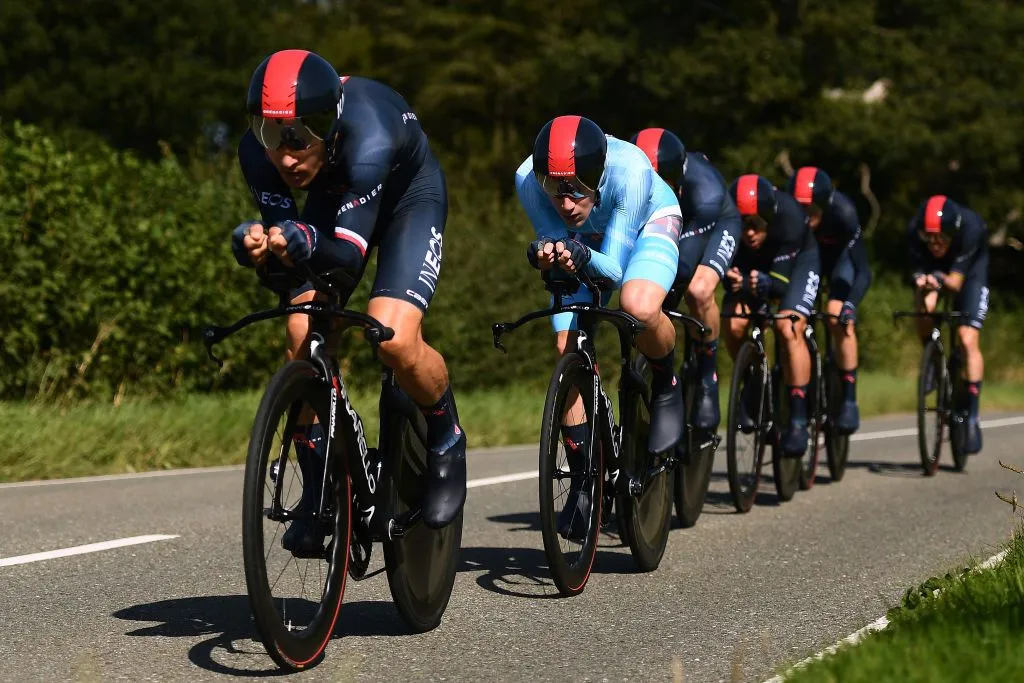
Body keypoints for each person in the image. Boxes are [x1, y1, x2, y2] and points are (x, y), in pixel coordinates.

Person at [231, 49, 466, 553]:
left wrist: (304, 243)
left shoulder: (369, 139)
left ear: (329, 124)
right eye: (270, 134)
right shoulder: (261, 155)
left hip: (406, 201)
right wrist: (257, 248)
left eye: (298, 136)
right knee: (301, 332)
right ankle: (321, 484)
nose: (285, 154)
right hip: (333, 198)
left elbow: (341, 258)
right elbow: (286, 274)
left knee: (394, 338)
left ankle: (445, 434)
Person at [516, 115, 683, 538]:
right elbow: (556, 241)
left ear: (596, 174)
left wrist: (575, 252)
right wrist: (547, 252)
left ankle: (665, 379)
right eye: (554, 188)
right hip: (587, 240)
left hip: (645, 225)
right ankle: (584, 480)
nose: (565, 201)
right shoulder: (527, 180)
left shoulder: (632, 172)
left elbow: (611, 272)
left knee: (637, 307)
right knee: (565, 344)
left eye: (574, 188)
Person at [630, 128, 740, 433]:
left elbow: (683, 266)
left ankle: (707, 375)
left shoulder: (705, 193)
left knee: (697, 290)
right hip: (670, 223)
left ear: (676, 179)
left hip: (714, 223)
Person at [725, 174, 820, 456]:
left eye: (756, 224)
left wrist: (762, 285)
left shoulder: (789, 217)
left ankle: (799, 417)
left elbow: (779, 285)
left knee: (788, 328)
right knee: (732, 322)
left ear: (769, 217)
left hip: (799, 262)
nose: (749, 232)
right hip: (755, 264)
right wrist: (731, 278)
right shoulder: (730, 221)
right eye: (743, 224)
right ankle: (753, 381)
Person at [786, 167, 872, 434]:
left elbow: (863, 270)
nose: (805, 216)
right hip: (803, 261)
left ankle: (848, 398)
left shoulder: (844, 214)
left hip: (838, 262)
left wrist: (851, 305)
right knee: (787, 319)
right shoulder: (786, 215)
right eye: (799, 209)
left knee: (836, 316)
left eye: (811, 211)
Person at [907, 195, 989, 453]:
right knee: (925, 307)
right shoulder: (914, 231)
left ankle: (972, 416)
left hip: (970, 274)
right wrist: (922, 281)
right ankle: (932, 358)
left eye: (941, 237)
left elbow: (954, 283)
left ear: (953, 232)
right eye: (929, 237)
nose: (934, 243)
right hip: (937, 269)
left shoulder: (971, 229)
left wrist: (937, 278)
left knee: (966, 338)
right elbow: (918, 269)